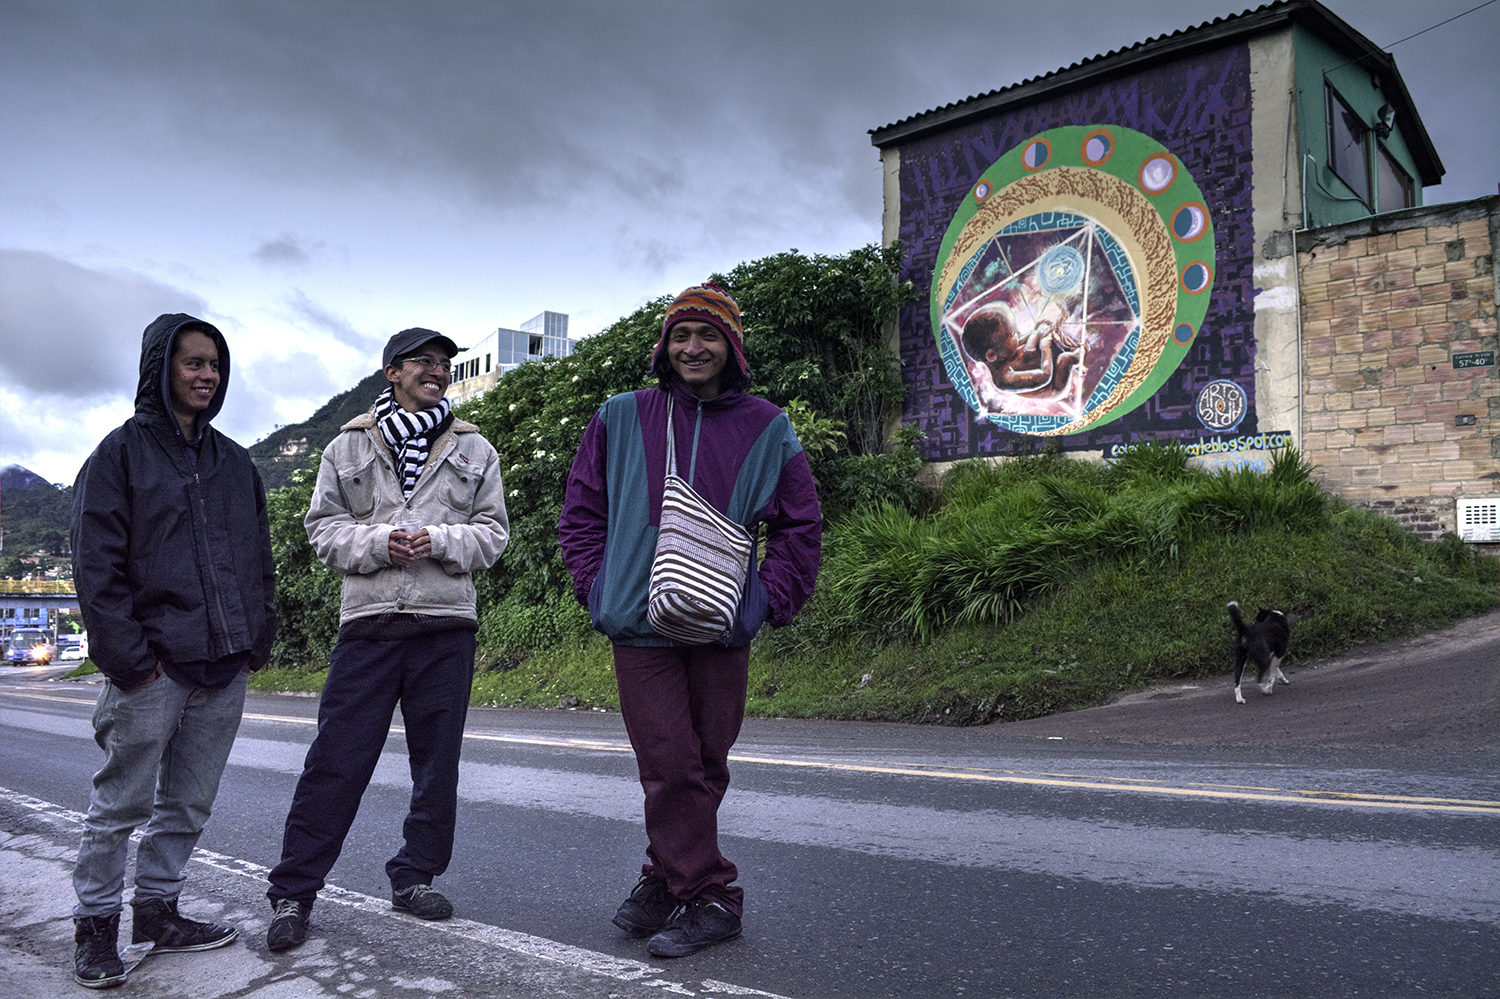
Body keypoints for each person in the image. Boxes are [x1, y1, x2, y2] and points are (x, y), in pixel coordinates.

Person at [558, 282, 822, 957]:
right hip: (640, 627)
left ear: (730, 345)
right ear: (664, 346)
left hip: (719, 626)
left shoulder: (767, 425)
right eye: (681, 335)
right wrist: (599, 590)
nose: (692, 347)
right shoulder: (620, 415)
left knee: (705, 759)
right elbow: (582, 513)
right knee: (670, 761)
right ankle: (711, 894)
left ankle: (663, 876)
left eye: (706, 335)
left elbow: (799, 524)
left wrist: (761, 603)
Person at [264, 328, 508, 951]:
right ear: (392, 372)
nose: (437, 371)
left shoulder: (475, 448)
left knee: (437, 765)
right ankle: (294, 891)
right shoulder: (346, 447)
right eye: (423, 362)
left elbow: (493, 534)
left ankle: (414, 876)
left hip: (445, 626)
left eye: (444, 364)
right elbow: (322, 530)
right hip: (369, 626)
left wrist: (441, 541)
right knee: (335, 762)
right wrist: (377, 543)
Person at [69, 314, 276, 989]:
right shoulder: (118, 455)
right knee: (120, 805)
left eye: (214, 363)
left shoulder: (235, 461)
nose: (206, 374)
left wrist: (256, 639)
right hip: (150, 669)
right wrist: (130, 660)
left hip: (223, 668)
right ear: (161, 368)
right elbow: (95, 569)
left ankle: (158, 911)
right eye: (191, 362)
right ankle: (95, 927)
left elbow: (258, 561)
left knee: (188, 803)